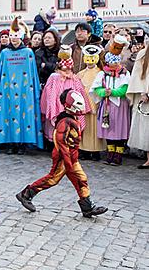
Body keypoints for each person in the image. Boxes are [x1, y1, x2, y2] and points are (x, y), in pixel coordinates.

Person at [17, 89, 107, 218]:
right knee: (52, 179)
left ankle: (87, 207)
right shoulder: (65, 122)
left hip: (71, 156)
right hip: (63, 157)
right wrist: (68, 162)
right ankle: (26, 194)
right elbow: (61, 144)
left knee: (81, 179)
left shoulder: (71, 118)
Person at [0, 20, 42, 152]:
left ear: (21, 36)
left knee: (24, 113)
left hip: (25, 89)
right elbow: (0, 73)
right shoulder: (4, 53)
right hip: (7, 89)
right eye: (11, 36)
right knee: (8, 114)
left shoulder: (28, 53)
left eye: (16, 35)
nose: (13, 39)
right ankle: (10, 143)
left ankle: (22, 144)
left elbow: (32, 74)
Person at [92, 53, 131, 165]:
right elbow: (96, 88)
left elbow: (125, 88)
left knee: (119, 128)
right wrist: (103, 92)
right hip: (107, 104)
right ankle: (110, 153)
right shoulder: (102, 74)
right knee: (108, 128)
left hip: (120, 105)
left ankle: (118, 155)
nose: (114, 64)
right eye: (112, 61)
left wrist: (113, 92)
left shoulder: (124, 73)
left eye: (116, 61)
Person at [77, 44, 106, 160]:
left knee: (95, 127)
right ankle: (84, 150)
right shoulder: (81, 74)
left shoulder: (101, 73)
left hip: (96, 103)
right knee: (85, 126)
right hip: (84, 104)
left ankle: (96, 151)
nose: (89, 61)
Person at [127, 44, 149, 168]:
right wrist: (144, 91)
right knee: (146, 128)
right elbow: (138, 75)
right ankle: (148, 158)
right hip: (144, 96)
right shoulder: (143, 54)